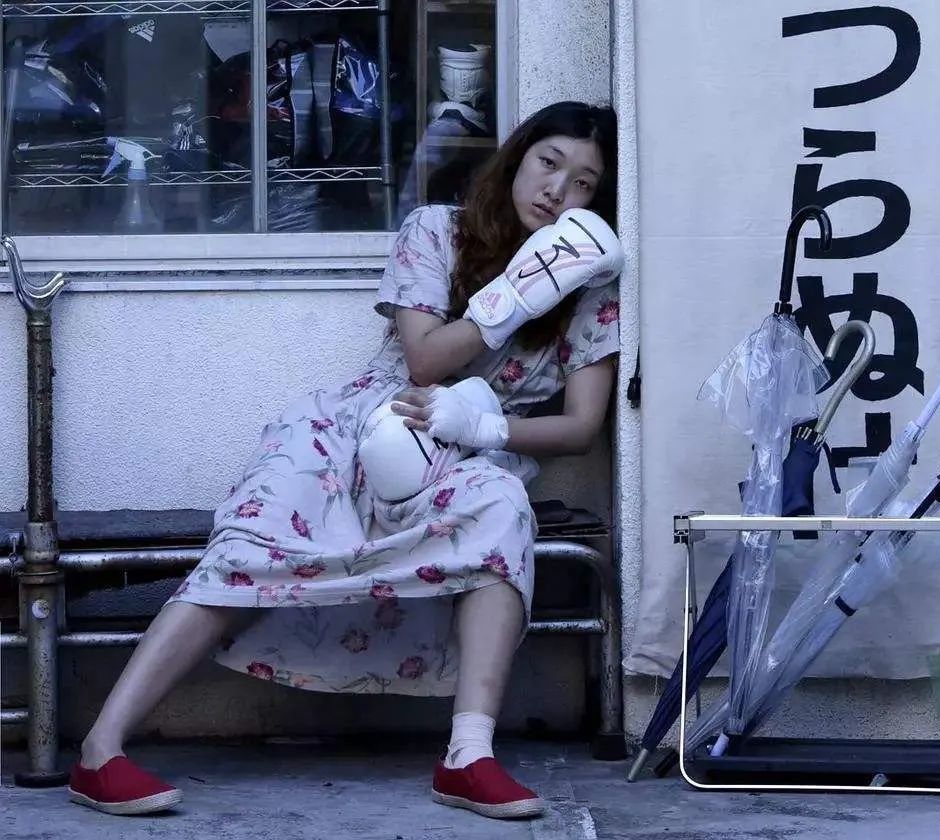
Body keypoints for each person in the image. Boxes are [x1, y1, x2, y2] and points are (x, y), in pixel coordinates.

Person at [66, 100, 621, 822]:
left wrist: (487, 428)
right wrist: (518, 290)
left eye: (583, 183)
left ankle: (468, 757)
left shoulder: (592, 288)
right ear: (518, 157)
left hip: (469, 448)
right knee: (255, 531)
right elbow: (424, 361)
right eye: (549, 163)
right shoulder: (438, 229)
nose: (557, 190)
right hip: (362, 423)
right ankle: (100, 751)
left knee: (502, 511)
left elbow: (581, 427)